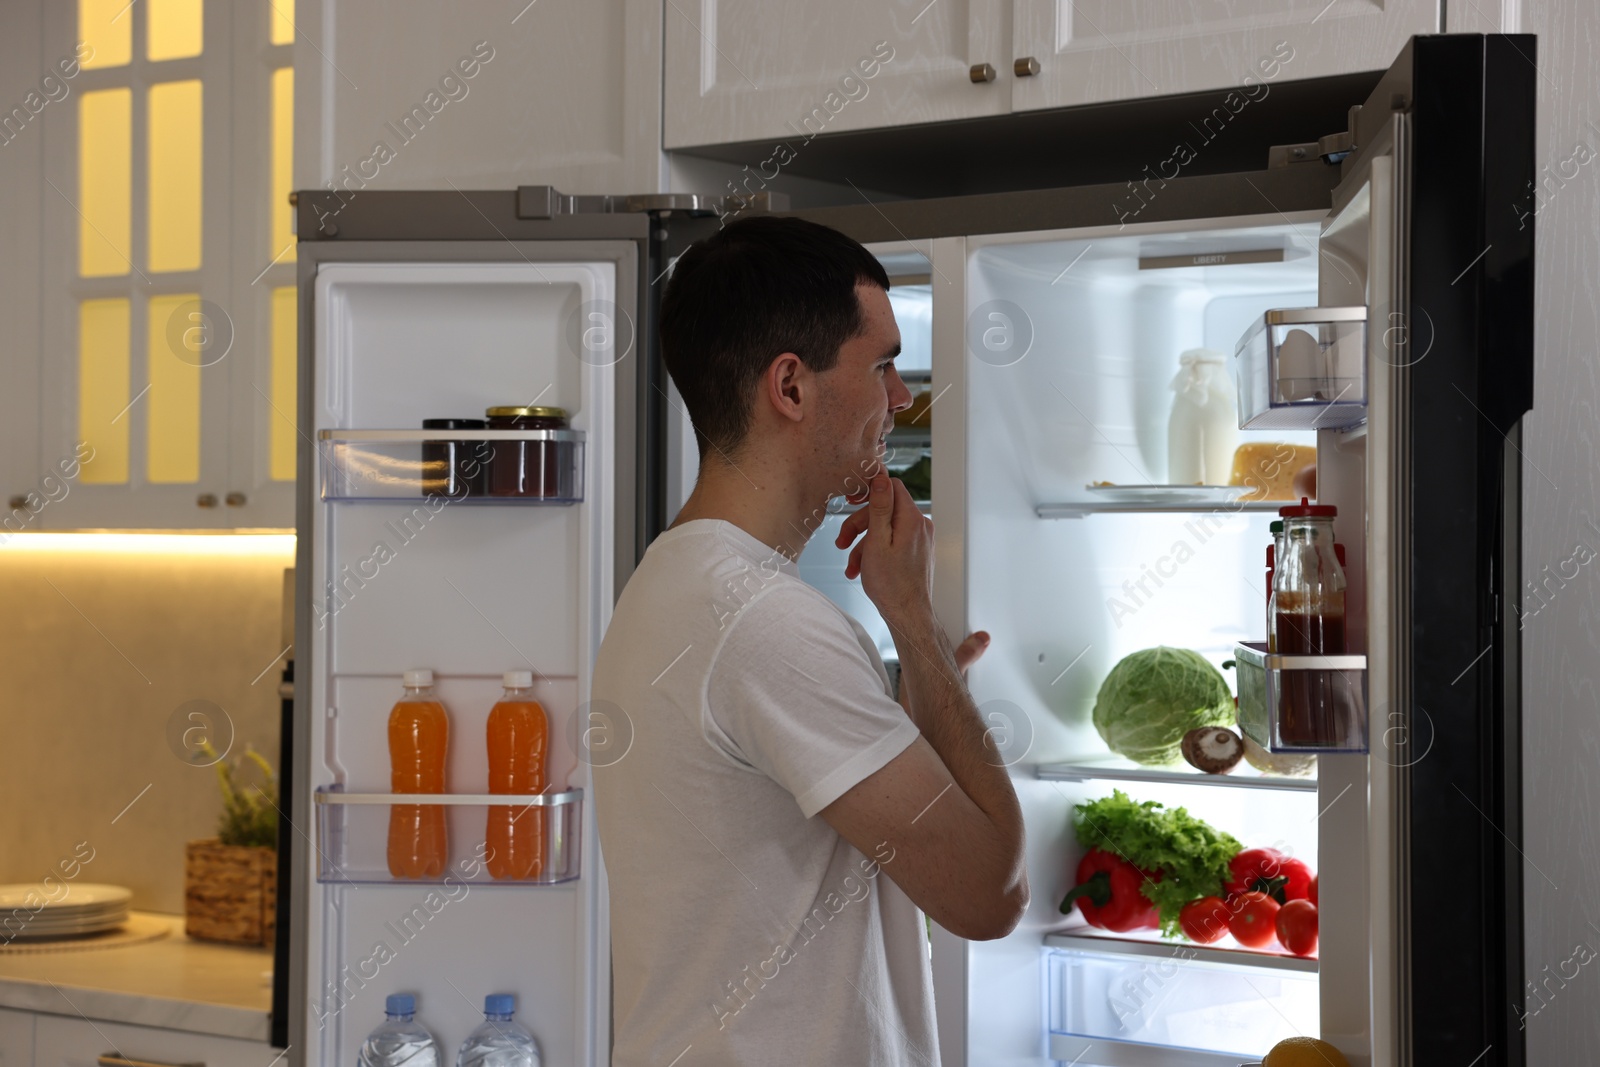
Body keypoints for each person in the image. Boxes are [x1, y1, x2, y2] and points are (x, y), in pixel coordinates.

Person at [591, 215, 1028, 1067]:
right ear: (790, 387)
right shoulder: (760, 619)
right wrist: (913, 621)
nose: (901, 398)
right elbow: (989, 892)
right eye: (882, 365)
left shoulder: (675, 583)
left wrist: (911, 693)